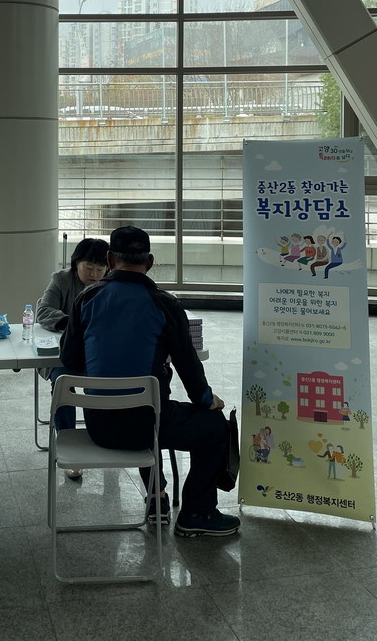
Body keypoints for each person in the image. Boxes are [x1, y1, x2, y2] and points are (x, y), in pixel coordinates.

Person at [61, 225, 240, 539]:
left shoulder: (87, 298)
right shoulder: (165, 304)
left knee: (153, 408)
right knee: (214, 426)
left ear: (110, 260)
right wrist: (207, 399)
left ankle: (160, 496)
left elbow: (70, 360)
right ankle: (197, 513)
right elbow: (188, 364)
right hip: (149, 428)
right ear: (151, 261)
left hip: (99, 426)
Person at [37, 237, 109, 479]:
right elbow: (43, 311)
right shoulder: (62, 280)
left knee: (103, 384)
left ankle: (103, 436)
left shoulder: (110, 285)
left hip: (99, 353)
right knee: (62, 383)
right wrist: (74, 324)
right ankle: (69, 447)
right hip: (66, 353)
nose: (94, 274)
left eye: (100, 269)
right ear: (76, 262)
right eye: (89, 267)